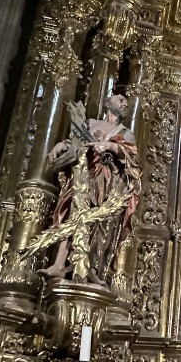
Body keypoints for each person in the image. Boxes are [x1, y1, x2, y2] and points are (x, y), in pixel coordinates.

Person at [41, 94, 141, 284]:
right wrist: (60, 146)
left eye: (126, 103)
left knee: (99, 223)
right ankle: (59, 264)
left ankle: (92, 269)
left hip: (108, 181)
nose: (125, 104)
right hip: (84, 176)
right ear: (107, 104)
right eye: (120, 100)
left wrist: (110, 145)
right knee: (74, 215)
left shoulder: (125, 132)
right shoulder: (91, 124)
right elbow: (74, 142)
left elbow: (130, 154)